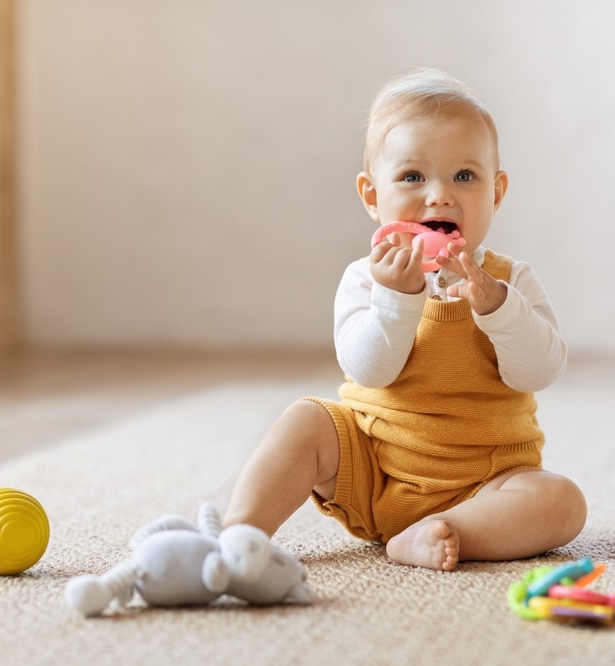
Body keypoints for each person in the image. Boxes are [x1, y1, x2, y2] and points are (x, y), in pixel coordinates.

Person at [224, 68, 587, 571]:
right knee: (305, 419)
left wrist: (496, 306)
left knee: (562, 502)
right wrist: (398, 298)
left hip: (485, 481)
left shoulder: (510, 281)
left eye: (465, 176)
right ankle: (238, 534)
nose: (439, 195)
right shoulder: (366, 279)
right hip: (374, 467)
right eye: (413, 177)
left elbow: (540, 371)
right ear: (373, 197)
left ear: (497, 193)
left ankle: (441, 533)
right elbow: (369, 370)